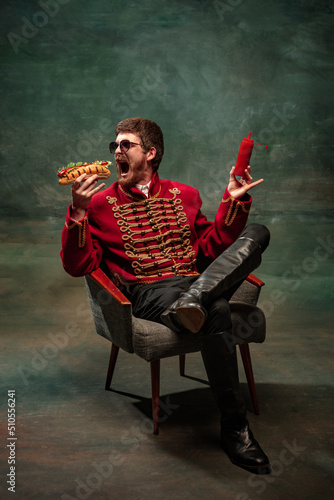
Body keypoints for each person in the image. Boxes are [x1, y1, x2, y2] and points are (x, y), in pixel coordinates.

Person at [61, 117, 271, 475]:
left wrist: (232, 202)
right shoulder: (98, 205)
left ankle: (192, 303)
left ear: (151, 153)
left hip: (195, 280)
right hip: (148, 292)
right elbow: (79, 266)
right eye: (115, 146)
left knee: (257, 232)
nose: (116, 152)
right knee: (217, 308)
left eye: (126, 145)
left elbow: (211, 249)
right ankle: (235, 427)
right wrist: (78, 211)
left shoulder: (185, 194)